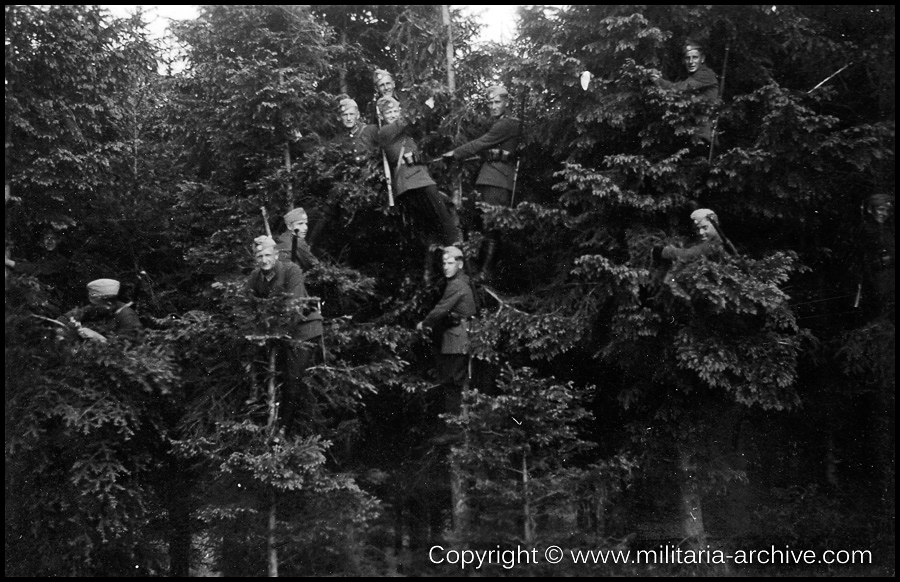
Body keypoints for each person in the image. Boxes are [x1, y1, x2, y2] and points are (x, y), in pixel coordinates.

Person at [376, 95, 461, 281]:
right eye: (388, 112)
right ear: (382, 116)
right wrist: (426, 105)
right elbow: (409, 119)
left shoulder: (405, 134)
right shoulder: (386, 132)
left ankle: (430, 270)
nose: (393, 115)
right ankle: (458, 257)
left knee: (439, 216)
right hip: (413, 183)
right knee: (444, 218)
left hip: (417, 181)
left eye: (395, 111)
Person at [442, 84, 521, 281]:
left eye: (497, 102)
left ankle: (486, 273)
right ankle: (485, 270)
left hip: (498, 180)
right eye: (491, 103)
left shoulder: (508, 124)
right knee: (487, 226)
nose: (493, 106)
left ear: (507, 103)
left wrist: (456, 153)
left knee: (491, 228)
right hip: (491, 177)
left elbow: (482, 143)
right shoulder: (501, 123)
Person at [245, 235, 324, 433]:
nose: (264, 260)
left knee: (292, 378)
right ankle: (261, 415)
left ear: (277, 255)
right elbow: (249, 304)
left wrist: (276, 332)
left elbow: (294, 307)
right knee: (263, 369)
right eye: (259, 256)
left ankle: (283, 429)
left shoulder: (291, 271)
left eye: (268, 255)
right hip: (277, 332)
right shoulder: (256, 276)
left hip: (304, 329)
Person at [417, 246, 477, 418]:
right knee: (457, 379)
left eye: (450, 263)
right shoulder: (462, 281)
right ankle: (459, 420)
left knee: (452, 380)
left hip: (457, 338)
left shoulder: (456, 284)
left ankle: (455, 425)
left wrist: (425, 324)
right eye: (444, 263)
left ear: (459, 265)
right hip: (459, 335)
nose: (446, 267)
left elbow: (441, 309)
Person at [651, 40, 719, 147]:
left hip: (704, 135)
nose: (691, 62)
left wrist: (658, 81)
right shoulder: (692, 76)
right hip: (693, 132)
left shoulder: (705, 75)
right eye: (688, 58)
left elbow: (679, 89)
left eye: (695, 57)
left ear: (702, 59)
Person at [62, 278, 143, 342]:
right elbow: (64, 319)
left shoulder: (127, 317)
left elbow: (125, 351)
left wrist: (97, 337)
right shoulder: (96, 308)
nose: (91, 306)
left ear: (108, 304)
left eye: (95, 304)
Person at [857, 193, 894, 321]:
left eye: (887, 210)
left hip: (888, 278)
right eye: (881, 209)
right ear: (869, 209)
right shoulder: (865, 229)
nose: (884, 213)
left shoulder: (886, 229)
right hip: (875, 280)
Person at [655, 208, 726, 264]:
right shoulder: (717, 242)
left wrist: (667, 251)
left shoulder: (713, 246)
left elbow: (687, 255)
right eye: (699, 228)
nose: (701, 232)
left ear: (715, 225)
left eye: (705, 228)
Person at [276, 207, 319, 271]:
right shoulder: (298, 241)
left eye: (306, 223)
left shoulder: (281, 238)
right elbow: (314, 264)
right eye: (300, 223)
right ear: (289, 226)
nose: (305, 228)